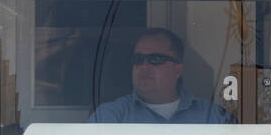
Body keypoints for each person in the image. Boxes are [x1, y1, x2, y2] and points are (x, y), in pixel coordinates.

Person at [89, 29, 233, 124]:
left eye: (155, 59)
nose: (144, 66)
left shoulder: (212, 116)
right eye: (138, 59)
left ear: (178, 70)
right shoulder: (110, 116)